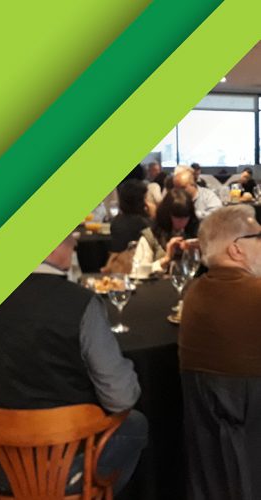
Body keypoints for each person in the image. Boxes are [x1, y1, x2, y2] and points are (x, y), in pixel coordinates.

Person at [0, 235, 148, 495]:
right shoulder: (81, 304)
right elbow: (120, 397)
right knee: (136, 423)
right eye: (70, 239)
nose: (75, 245)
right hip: (66, 467)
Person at [179, 205, 261, 499]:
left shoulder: (193, 292)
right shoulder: (254, 293)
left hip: (209, 461)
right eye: (258, 237)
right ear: (236, 249)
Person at [133, 189, 199, 275]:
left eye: (186, 217)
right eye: (177, 218)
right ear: (167, 215)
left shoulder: (195, 232)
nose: (182, 222)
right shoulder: (152, 236)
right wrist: (166, 258)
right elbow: (137, 272)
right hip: (158, 283)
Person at [110, 179, 150, 253]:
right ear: (140, 201)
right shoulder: (142, 223)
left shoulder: (116, 221)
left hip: (118, 259)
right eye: (145, 198)